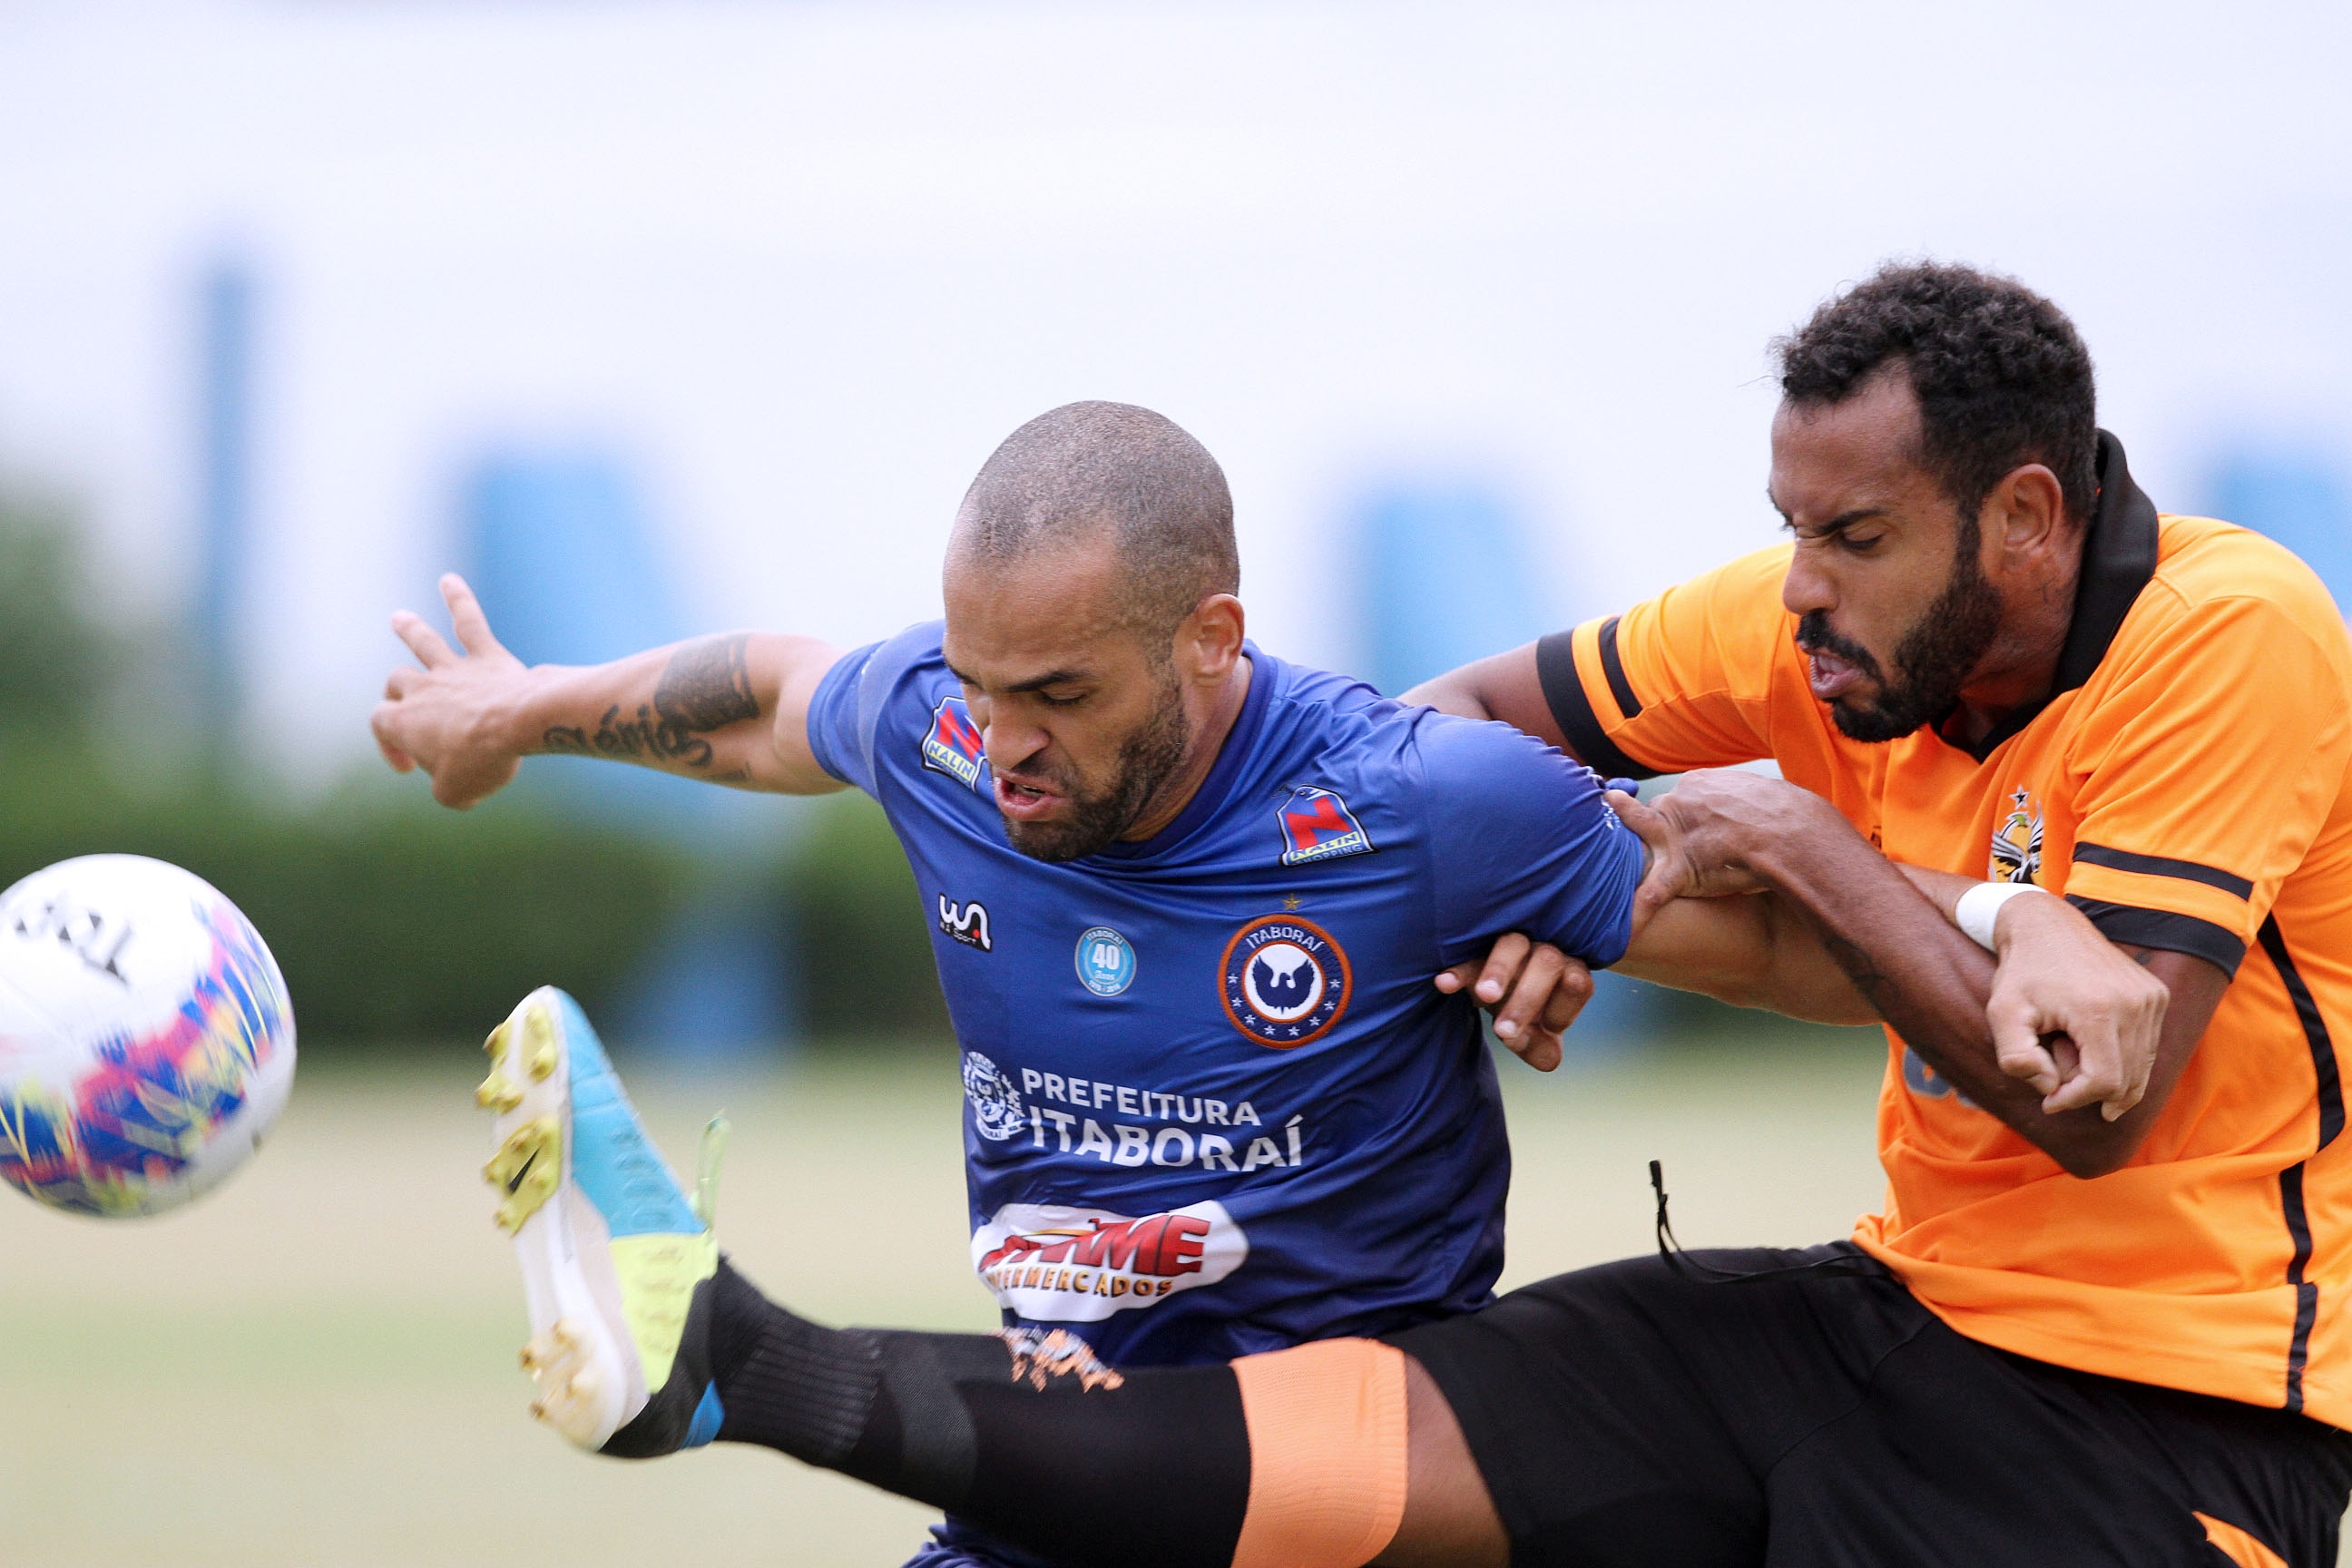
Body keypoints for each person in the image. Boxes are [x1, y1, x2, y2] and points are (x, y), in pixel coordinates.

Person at [377, 399, 2146, 1568]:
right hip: (1047, 1468)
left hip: (1333, 1487)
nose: (999, 747)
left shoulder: (1416, 804)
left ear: (1210, 638)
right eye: (982, 687)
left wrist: (2017, 924)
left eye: (1059, 696)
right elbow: (776, 694)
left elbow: (1784, 940)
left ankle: (731, 1361)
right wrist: (518, 711)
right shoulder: (942, 721)